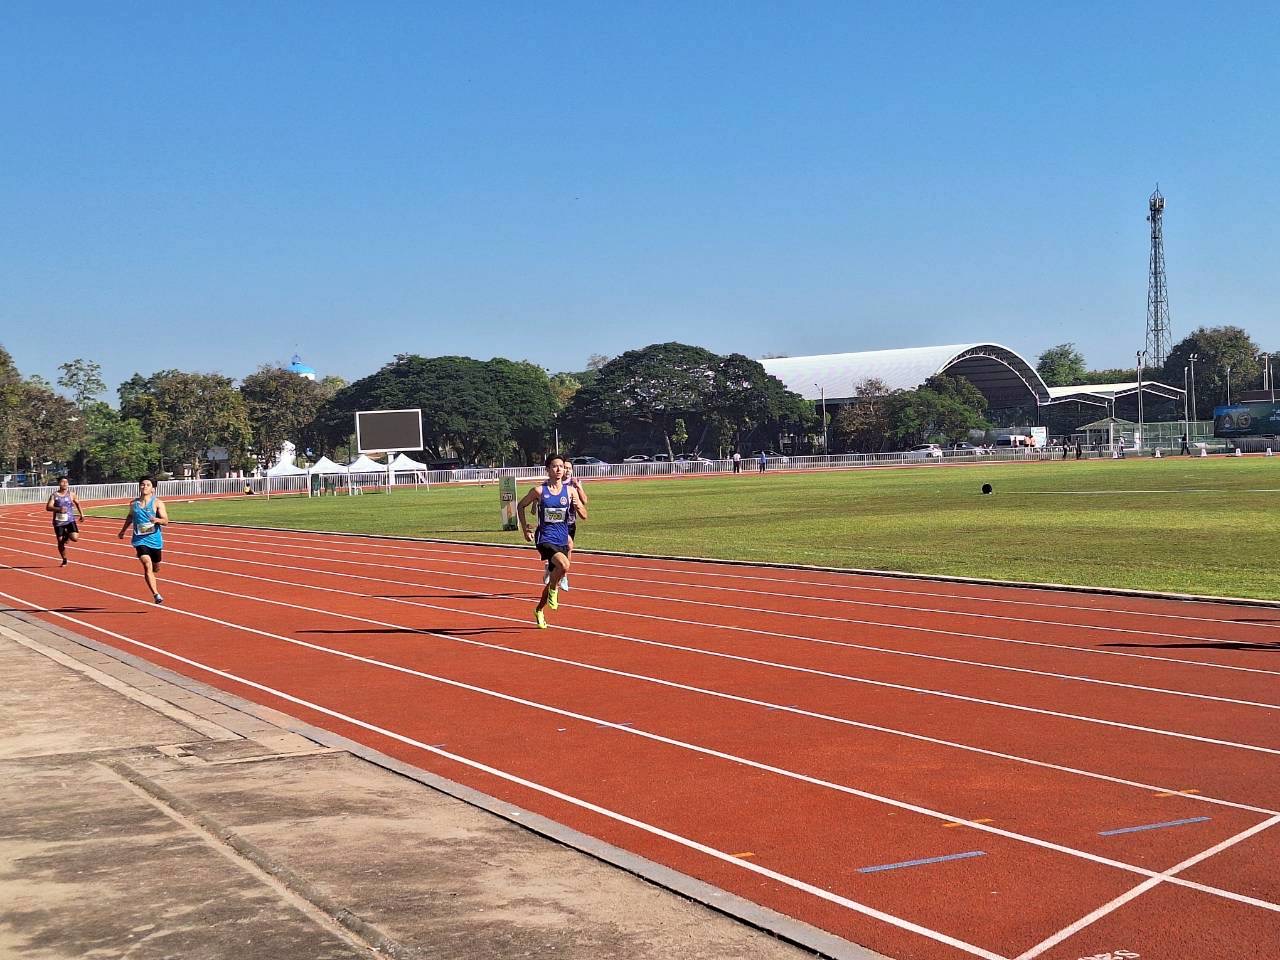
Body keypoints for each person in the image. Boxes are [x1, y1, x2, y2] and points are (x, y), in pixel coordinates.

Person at [517, 455, 587, 628]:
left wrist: (578, 505)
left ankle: (539, 609)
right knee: (564, 565)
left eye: (561, 466)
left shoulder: (569, 491)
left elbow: (584, 515)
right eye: (555, 466)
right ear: (547, 470)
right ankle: (554, 590)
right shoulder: (539, 491)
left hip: (561, 538)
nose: (559, 469)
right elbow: (521, 505)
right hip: (545, 537)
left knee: (557, 574)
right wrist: (525, 529)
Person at [117, 476, 168, 604]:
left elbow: (166, 521)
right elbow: (130, 517)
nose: (144, 487)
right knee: (147, 564)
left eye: (148, 485)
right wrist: (123, 531)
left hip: (155, 540)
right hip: (139, 539)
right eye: (142, 484)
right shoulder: (133, 504)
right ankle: (156, 594)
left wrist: (157, 520)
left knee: (156, 567)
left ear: (153, 489)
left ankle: (155, 567)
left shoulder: (157, 503)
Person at [560, 460, 589, 592]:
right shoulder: (555, 482)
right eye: (565, 468)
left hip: (570, 522)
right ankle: (560, 573)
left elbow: (585, 501)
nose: (567, 470)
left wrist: (579, 487)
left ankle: (561, 574)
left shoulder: (575, 482)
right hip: (557, 523)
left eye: (569, 468)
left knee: (567, 550)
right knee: (566, 546)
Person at [46, 476, 85, 566]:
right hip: (58, 522)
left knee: (75, 538)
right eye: (62, 482)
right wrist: (58, 509)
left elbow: (78, 503)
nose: (64, 484)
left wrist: (82, 514)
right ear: (59, 483)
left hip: (70, 520)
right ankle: (64, 559)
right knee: (60, 541)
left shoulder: (71, 494)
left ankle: (67, 535)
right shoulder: (54, 495)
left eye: (66, 482)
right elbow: (48, 507)